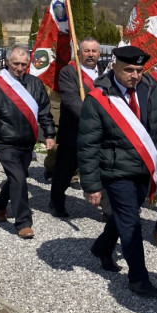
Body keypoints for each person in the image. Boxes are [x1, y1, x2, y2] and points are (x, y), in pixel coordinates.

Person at [78, 45, 157, 297]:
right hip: (115, 171)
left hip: (144, 168)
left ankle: (102, 247)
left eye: (139, 70)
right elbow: (88, 145)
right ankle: (138, 278)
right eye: (128, 70)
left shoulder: (151, 89)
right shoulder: (98, 97)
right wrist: (91, 185)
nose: (135, 75)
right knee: (132, 223)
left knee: (126, 216)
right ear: (114, 66)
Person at [0, 44, 55, 239]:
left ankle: (0, 204)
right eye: (16, 63)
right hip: (4, 142)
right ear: (7, 62)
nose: (19, 68)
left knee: (17, 178)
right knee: (19, 178)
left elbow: (44, 111)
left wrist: (50, 134)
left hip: (27, 142)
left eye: (23, 64)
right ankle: (23, 222)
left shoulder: (35, 84)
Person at [50, 37, 102, 217]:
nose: (90, 55)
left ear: (99, 53)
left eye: (94, 51)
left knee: (104, 170)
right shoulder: (69, 72)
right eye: (86, 51)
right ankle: (56, 203)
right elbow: (71, 100)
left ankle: (109, 210)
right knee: (65, 170)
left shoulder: (105, 73)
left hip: (100, 133)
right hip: (74, 131)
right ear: (79, 52)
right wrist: (93, 118)